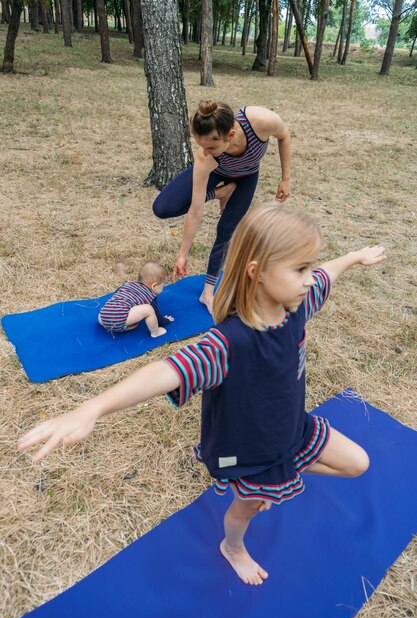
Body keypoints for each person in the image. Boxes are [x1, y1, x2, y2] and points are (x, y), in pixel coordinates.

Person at [18, 203, 386, 586]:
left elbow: (327, 274)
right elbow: (167, 370)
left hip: (294, 432)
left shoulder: (297, 306)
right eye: (299, 270)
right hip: (252, 454)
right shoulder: (227, 344)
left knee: (357, 463)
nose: (310, 279)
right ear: (256, 272)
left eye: (310, 267)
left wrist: (355, 257)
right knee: (243, 512)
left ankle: (285, 474)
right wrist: (92, 407)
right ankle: (233, 548)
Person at [152, 100, 292, 313]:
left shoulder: (261, 122)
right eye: (201, 145)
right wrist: (183, 253)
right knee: (162, 207)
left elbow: (284, 136)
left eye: (211, 147)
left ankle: (208, 292)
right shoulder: (205, 158)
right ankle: (220, 192)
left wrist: (285, 178)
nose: (205, 152)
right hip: (218, 173)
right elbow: (196, 210)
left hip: (246, 176)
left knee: (226, 230)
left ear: (231, 136)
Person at [98, 262, 174, 338]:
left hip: (103, 317)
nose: (163, 288)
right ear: (154, 286)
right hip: (119, 320)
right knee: (149, 309)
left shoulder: (128, 284)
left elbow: (117, 293)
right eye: (163, 285)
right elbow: (157, 316)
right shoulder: (150, 296)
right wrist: (166, 321)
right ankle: (155, 332)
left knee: (116, 306)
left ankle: (119, 325)